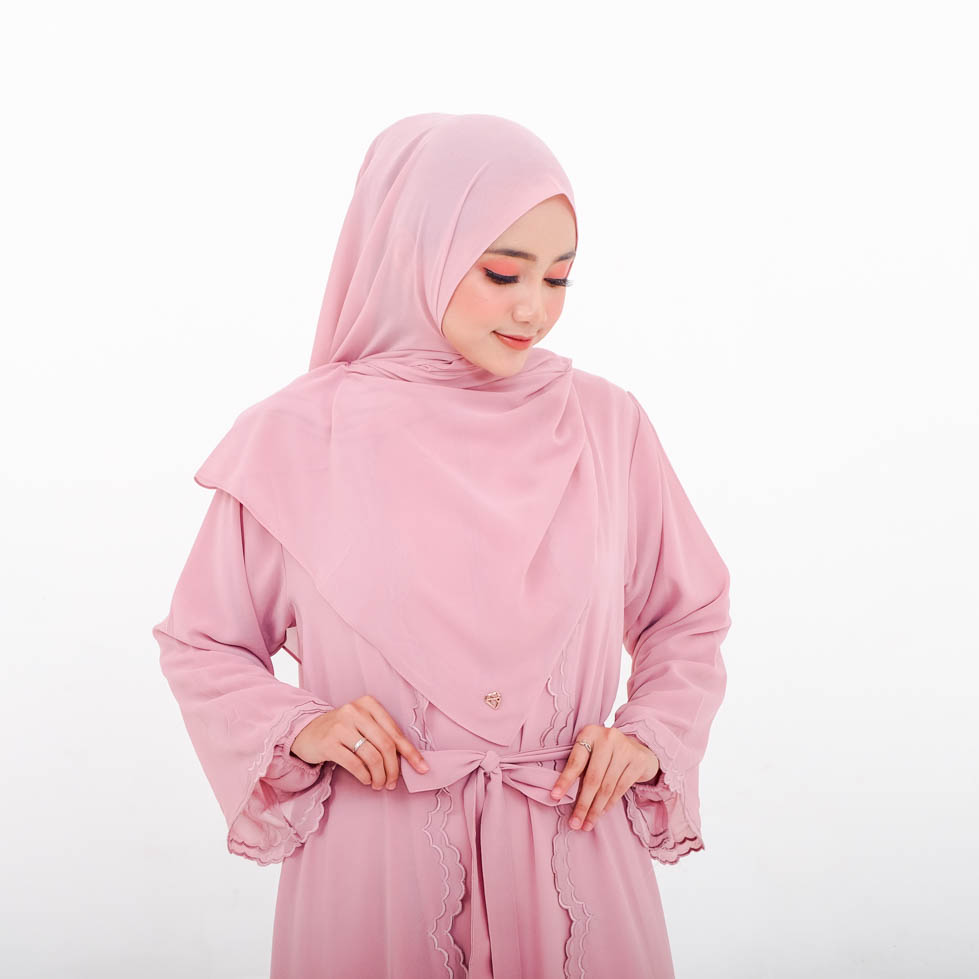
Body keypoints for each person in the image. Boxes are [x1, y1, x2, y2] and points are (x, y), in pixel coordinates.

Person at [152, 112, 732, 979]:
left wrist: (649, 732)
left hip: (573, 852)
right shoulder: (298, 438)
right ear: (414, 250)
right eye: (501, 272)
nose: (534, 308)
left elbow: (687, 614)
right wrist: (302, 727)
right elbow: (203, 641)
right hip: (376, 869)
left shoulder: (605, 426)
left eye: (558, 277)